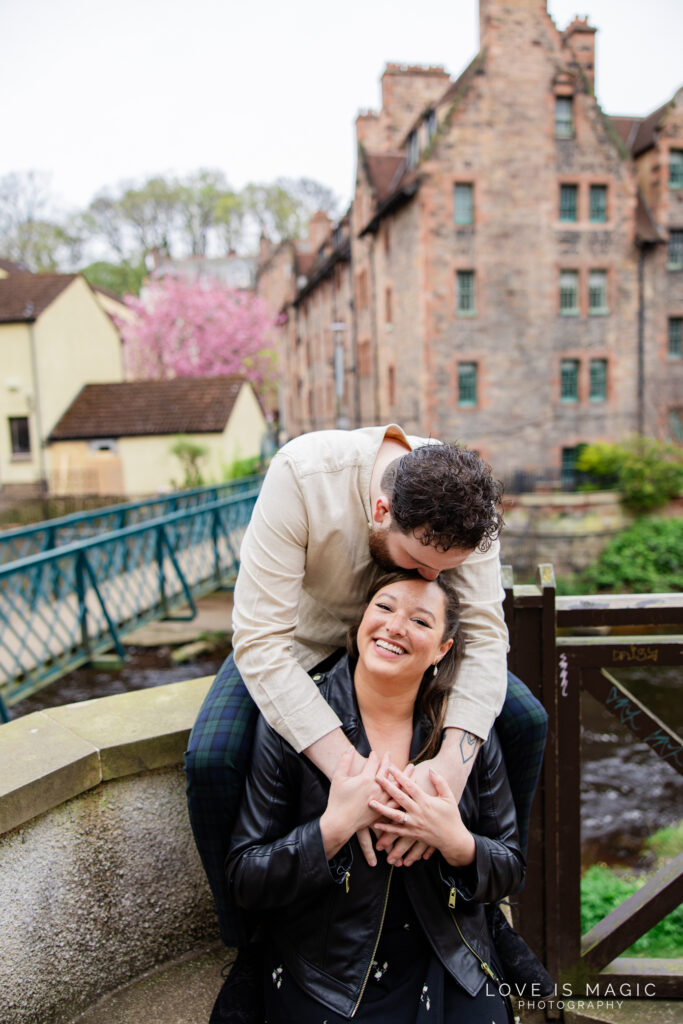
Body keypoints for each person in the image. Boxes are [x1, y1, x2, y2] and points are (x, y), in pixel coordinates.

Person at [185, 426, 548, 1020]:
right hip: (297, 642)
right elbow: (259, 641)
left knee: (527, 720)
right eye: (418, 563)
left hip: (414, 648)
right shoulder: (301, 475)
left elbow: (483, 641)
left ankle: (486, 916)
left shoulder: (466, 513)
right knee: (210, 756)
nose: (432, 578)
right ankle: (249, 940)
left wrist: (449, 780)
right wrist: (354, 774)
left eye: (443, 572)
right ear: (381, 510)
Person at [226, 572, 524, 1023]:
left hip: (447, 957)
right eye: (383, 608)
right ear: (361, 620)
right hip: (328, 971)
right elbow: (246, 878)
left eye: (421, 622)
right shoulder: (295, 720)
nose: (395, 626)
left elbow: (510, 869)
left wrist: (455, 841)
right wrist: (332, 828)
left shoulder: (463, 735)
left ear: (443, 650)